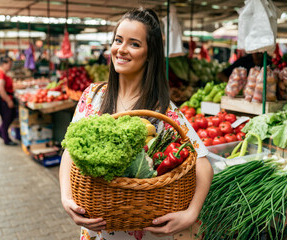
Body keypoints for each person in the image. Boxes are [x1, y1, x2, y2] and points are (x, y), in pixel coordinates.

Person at [59, 8, 213, 240]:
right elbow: (70, 150)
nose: (121, 49)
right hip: (95, 232)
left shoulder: (163, 110)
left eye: (134, 44)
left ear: (150, 54)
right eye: (118, 40)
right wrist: (66, 197)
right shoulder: (92, 96)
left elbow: (203, 164)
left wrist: (191, 214)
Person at [0, 56, 17, 146]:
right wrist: (8, 101)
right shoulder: (0, 74)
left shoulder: (3, 73)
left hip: (6, 98)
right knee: (6, 119)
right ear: (3, 64)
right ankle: (6, 139)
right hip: (4, 100)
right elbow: (0, 89)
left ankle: (0, 132)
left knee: (9, 117)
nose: (10, 66)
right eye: (9, 64)